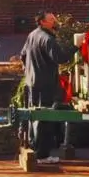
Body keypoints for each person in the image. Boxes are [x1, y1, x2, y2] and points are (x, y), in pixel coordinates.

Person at [20, 10, 74, 165]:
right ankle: (43, 155)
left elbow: (23, 54)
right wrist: (76, 47)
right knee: (45, 119)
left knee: (33, 116)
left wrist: (28, 70)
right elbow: (60, 58)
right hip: (45, 84)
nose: (54, 21)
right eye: (51, 19)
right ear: (42, 22)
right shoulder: (48, 39)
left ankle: (33, 146)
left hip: (31, 82)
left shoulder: (32, 35)